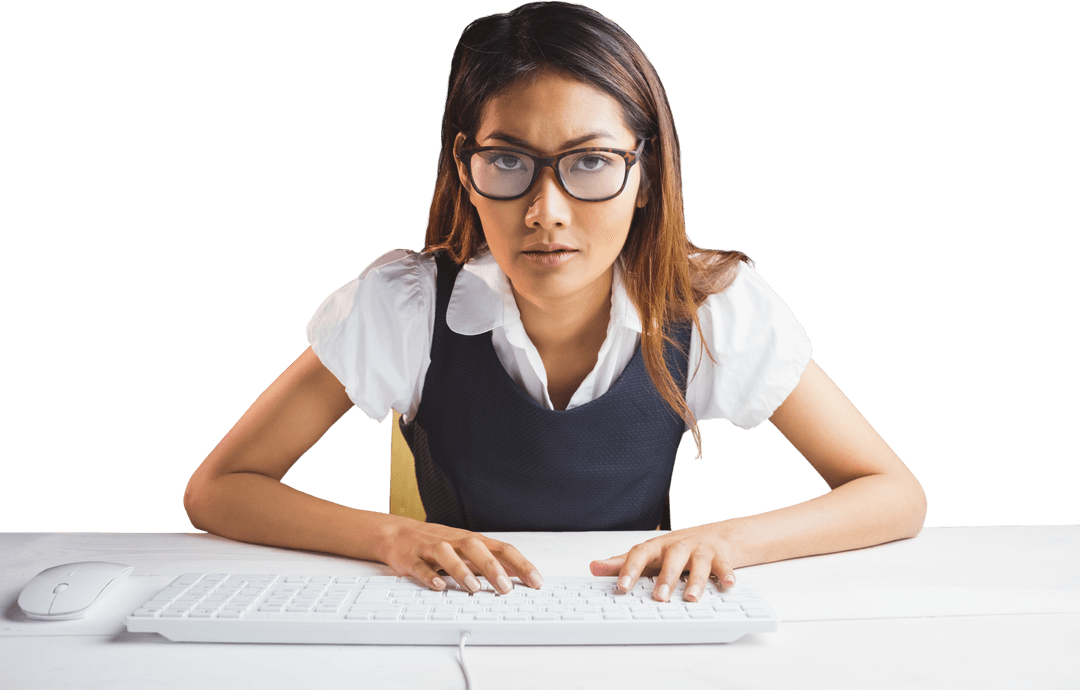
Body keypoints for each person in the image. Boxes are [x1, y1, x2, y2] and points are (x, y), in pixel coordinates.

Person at [183, 1, 927, 604]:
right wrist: (390, 537)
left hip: (635, 622)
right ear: (464, 167)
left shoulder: (705, 302)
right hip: (448, 617)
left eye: (591, 163)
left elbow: (892, 493)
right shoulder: (404, 303)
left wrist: (729, 541)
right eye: (507, 161)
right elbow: (220, 488)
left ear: (646, 173)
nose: (546, 210)